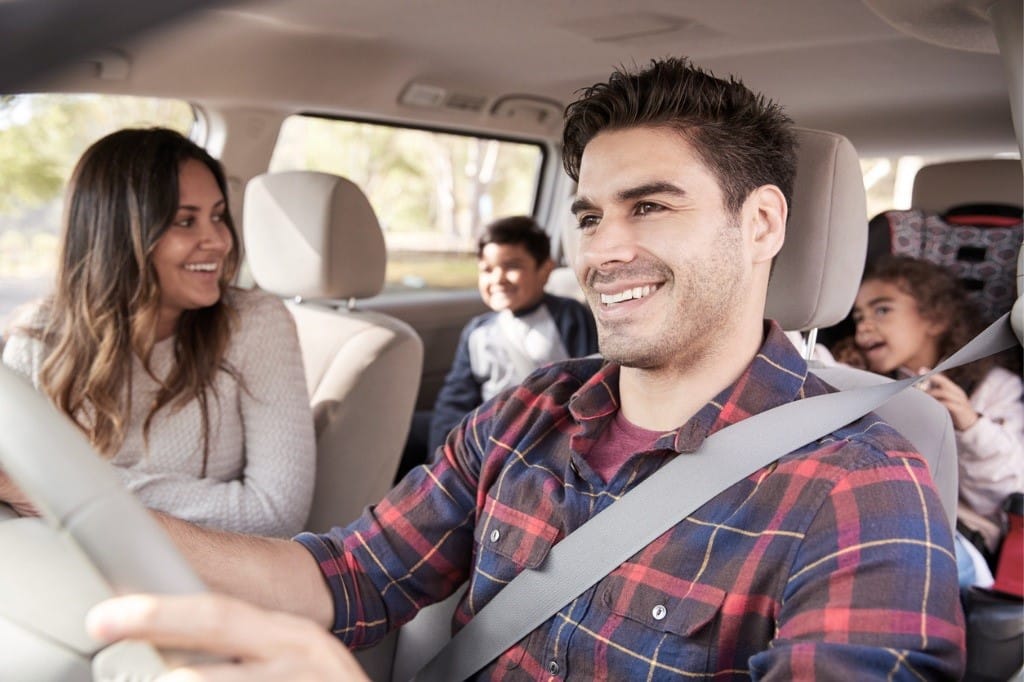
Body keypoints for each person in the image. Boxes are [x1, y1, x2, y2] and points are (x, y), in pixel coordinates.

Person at [86, 58, 965, 679]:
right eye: (588, 218)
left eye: (651, 207)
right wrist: (84, 508)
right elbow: (343, 577)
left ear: (763, 225)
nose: (605, 252)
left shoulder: (860, 489)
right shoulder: (527, 414)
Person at [1, 127, 315, 537]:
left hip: (206, 584)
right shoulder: (37, 340)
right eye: (186, 221)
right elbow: (11, 490)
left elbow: (275, 513)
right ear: (116, 236)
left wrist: (71, 490)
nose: (218, 240)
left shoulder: (254, 324)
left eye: (218, 216)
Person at [841, 255, 1024, 558]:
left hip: (960, 535)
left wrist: (969, 424)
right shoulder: (865, 383)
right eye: (859, 317)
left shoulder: (993, 388)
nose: (865, 327)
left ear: (935, 318)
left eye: (882, 310)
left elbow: (1008, 491)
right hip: (877, 516)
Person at [410, 215, 597, 469]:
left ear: (544, 270)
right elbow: (454, 399)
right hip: (486, 431)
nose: (497, 278)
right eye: (487, 269)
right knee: (405, 428)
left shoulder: (568, 316)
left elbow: (590, 383)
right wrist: (441, 457)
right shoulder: (477, 330)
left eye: (512, 266)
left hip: (543, 432)